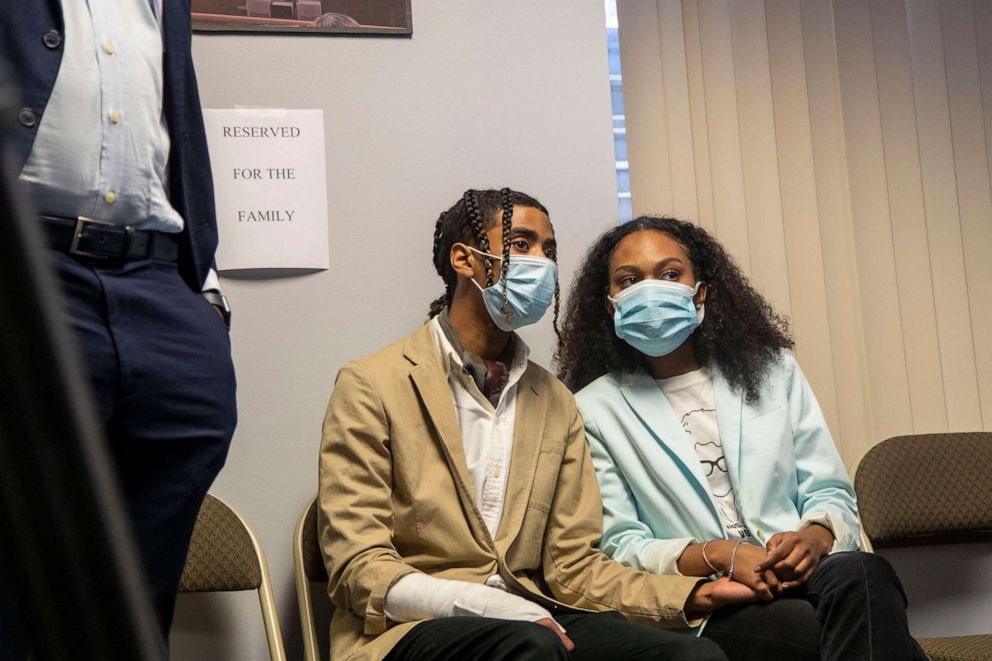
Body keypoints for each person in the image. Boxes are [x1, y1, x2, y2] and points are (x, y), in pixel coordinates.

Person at [319, 190, 741, 661]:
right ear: (464, 259)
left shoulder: (556, 401)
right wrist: (483, 603)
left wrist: (684, 595)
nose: (541, 262)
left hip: (536, 616)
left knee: (693, 658)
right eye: (521, 244)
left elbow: (572, 567)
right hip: (412, 629)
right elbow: (357, 566)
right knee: (531, 645)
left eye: (549, 249)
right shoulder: (372, 384)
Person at [559, 216, 927, 661]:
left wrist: (813, 538)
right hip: (715, 593)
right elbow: (622, 544)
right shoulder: (592, 408)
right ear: (611, 302)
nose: (651, 289)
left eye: (670, 274)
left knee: (865, 575)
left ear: (700, 292)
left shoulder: (773, 371)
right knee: (835, 629)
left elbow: (828, 489)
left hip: (806, 570)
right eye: (629, 280)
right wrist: (723, 555)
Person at [0, 1, 236, 657]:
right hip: (30, 267)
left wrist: (206, 293)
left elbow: (175, 121)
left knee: (133, 600)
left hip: (160, 280)